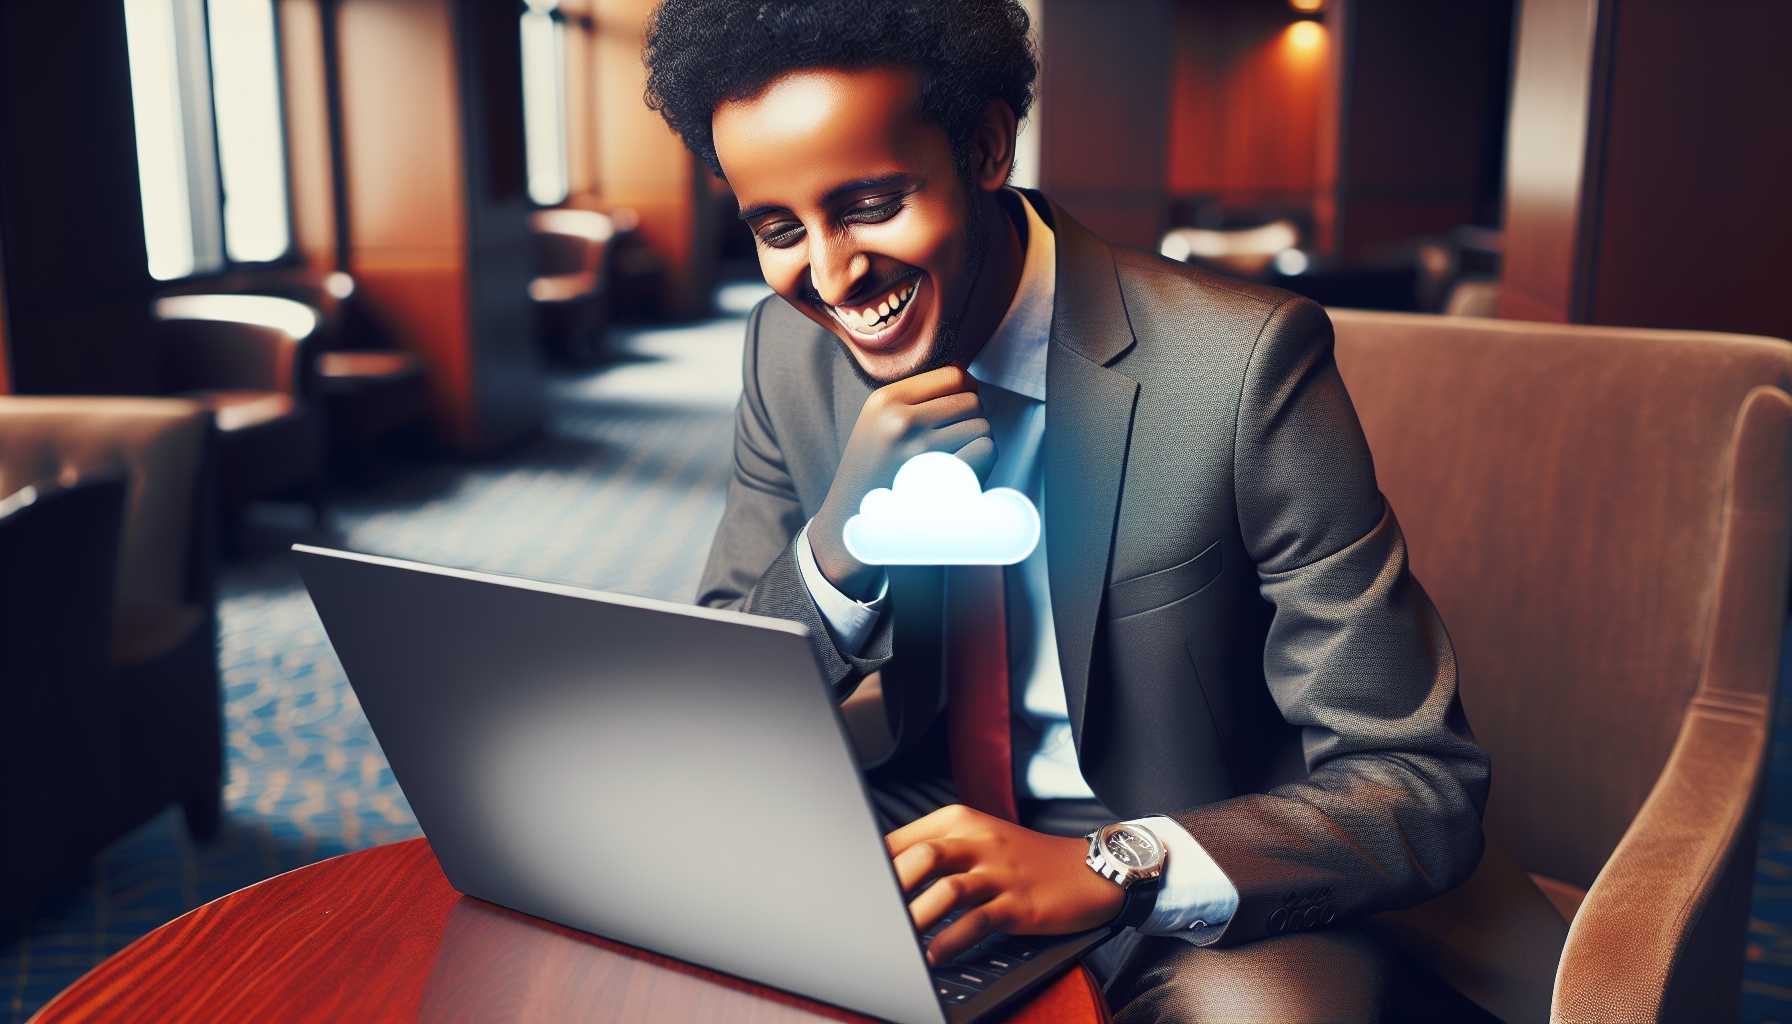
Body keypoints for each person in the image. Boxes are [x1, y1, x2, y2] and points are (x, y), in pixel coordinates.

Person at [661, 2, 1502, 1018]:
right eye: (780, 230)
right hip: (926, 819)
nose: (832, 276)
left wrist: (1114, 863)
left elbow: (1419, 782)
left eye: (873, 203)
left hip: (1186, 847)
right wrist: (838, 544)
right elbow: (712, 697)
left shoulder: (1241, 366)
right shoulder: (787, 351)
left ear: (982, 147)